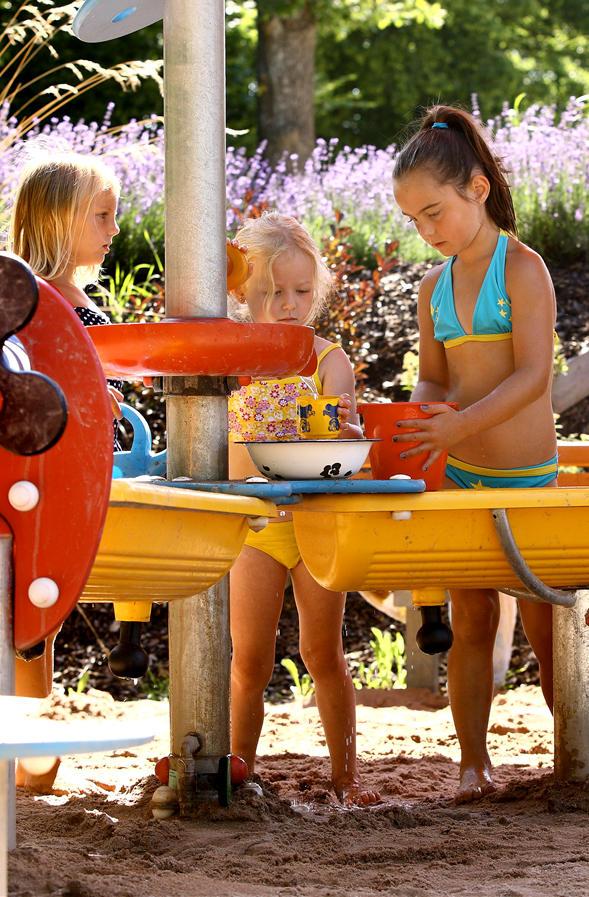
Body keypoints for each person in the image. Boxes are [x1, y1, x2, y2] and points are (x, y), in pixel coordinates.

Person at [389, 105, 560, 803]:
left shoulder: (522, 268)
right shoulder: (434, 288)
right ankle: (471, 763)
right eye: (414, 221)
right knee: (472, 623)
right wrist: (430, 413)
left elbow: (533, 377)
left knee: (552, 627)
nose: (427, 232)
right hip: (462, 478)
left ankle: (575, 749)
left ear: (478, 190)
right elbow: (434, 375)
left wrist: (459, 424)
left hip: (527, 481)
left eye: (435, 212)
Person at [226, 212, 379, 807]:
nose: (288, 305)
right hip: (257, 525)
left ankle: (346, 777)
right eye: (270, 293)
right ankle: (240, 773)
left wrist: (347, 436)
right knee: (250, 663)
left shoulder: (326, 361)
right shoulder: (233, 360)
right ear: (243, 293)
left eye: (300, 292)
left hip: (315, 520)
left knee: (323, 653)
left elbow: (346, 451)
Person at [7, 152, 125, 791]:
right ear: (57, 222)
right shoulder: (57, 306)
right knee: (33, 619)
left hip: (45, 472)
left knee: (25, 622)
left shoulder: (23, 296)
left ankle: (29, 761)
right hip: (53, 476)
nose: (114, 230)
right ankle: (33, 765)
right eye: (101, 217)